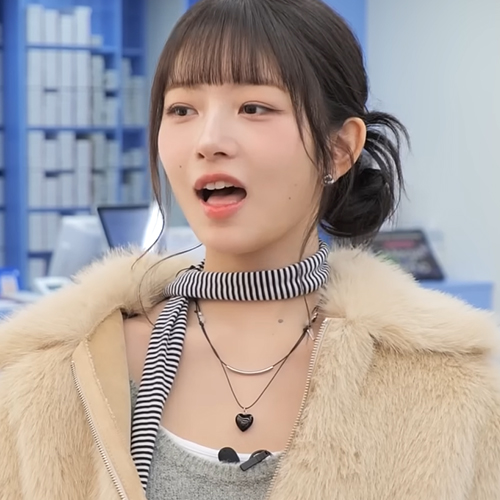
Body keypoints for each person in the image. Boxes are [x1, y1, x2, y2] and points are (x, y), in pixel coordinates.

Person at [1, 0, 499, 498]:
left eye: (254, 108)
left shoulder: (451, 388)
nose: (208, 141)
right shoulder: (51, 373)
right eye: (181, 110)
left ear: (340, 149)